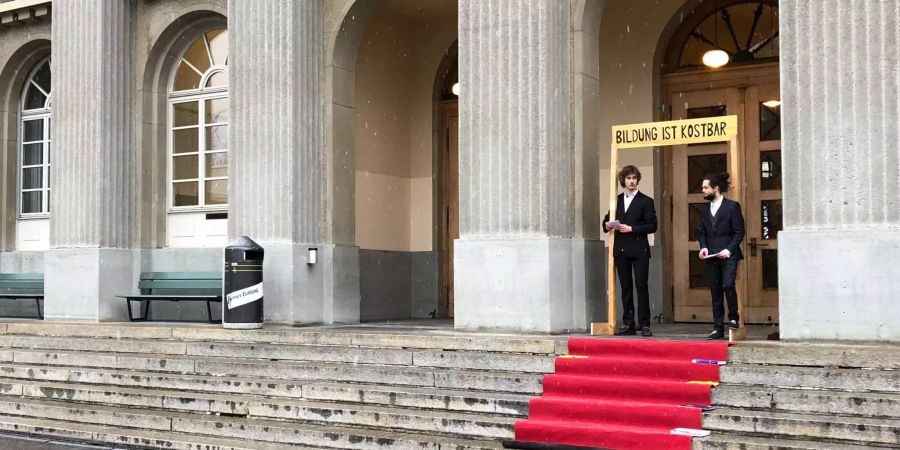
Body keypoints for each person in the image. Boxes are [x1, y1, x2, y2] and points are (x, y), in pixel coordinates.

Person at [603, 165, 657, 337]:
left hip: (639, 249)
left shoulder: (646, 201)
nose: (632, 181)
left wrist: (632, 228)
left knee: (641, 286)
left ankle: (645, 324)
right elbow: (606, 221)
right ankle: (628, 323)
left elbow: (652, 225)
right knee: (625, 287)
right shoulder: (616, 200)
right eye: (628, 178)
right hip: (621, 250)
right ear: (623, 181)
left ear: (637, 180)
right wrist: (607, 225)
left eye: (634, 178)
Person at [697, 172, 745, 340]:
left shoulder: (732, 206)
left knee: (728, 285)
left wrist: (729, 249)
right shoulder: (704, 209)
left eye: (705, 187)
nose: (702, 190)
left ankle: (733, 318)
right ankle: (718, 327)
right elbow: (702, 232)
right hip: (711, 255)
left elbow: (739, 232)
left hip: (728, 254)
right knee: (715, 291)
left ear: (716, 188)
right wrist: (703, 247)